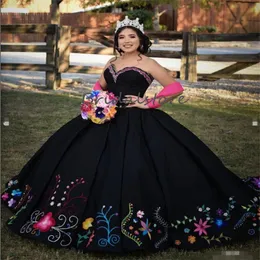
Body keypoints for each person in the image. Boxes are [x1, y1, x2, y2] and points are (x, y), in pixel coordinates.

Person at [1, 16, 259, 254]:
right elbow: (98, 86)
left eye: (131, 36)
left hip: (138, 121)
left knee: (140, 165)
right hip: (105, 119)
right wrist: (98, 103)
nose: (126, 41)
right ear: (117, 42)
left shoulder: (147, 63)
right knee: (79, 160)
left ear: (141, 40)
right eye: (121, 37)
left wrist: (150, 103)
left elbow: (175, 87)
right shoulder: (111, 63)